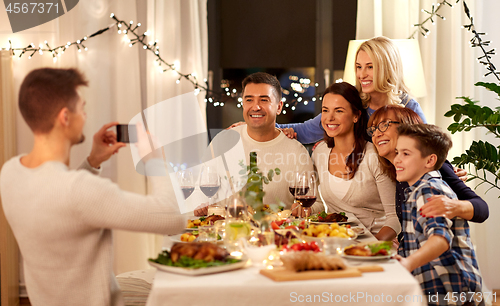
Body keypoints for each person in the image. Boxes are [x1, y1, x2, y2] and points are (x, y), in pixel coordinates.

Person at [0, 68, 187, 306]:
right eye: (82, 108)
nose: (85, 116)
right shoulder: (80, 190)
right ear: (65, 117)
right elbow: (172, 216)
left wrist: (93, 161)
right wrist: (154, 161)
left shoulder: (10, 172)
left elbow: (57, 199)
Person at [194, 72, 314, 216]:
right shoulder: (223, 141)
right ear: (243, 104)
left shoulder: (296, 151)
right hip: (226, 233)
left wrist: (303, 209)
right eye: (249, 100)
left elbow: (317, 203)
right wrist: (201, 205)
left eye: (264, 100)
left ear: (279, 107)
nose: (255, 107)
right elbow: (199, 190)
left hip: (276, 234)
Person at [276, 36, 427, 144]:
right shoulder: (352, 102)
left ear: (387, 68)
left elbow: (429, 147)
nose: (362, 75)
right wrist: (263, 126)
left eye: (370, 67)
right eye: (359, 67)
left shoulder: (408, 106)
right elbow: (305, 131)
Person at [393, 124, 482, 304]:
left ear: (429, 160)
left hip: (449, 288)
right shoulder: (417, 190)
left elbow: (440, 239)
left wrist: (409, 263)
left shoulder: (429, 191)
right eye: (397, 152)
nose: (397, 160)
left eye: (406, 154)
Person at [301, 82, 400, 241]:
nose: (330, 118)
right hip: (336, 242)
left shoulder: (374, 156)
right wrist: (304, 209)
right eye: (325, 110)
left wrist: (371, 247)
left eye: (339, 111)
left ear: (356, 116)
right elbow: (318, 203)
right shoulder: (320, 152)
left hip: (374, 244)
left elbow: (395, 219)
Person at [367, 105, 488, 230]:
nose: (376, 134)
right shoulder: (398, 173)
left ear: (407, 128)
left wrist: (453, 206)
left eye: (384, 125)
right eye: (373, 129)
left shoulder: (432, 167)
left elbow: (482, 208)